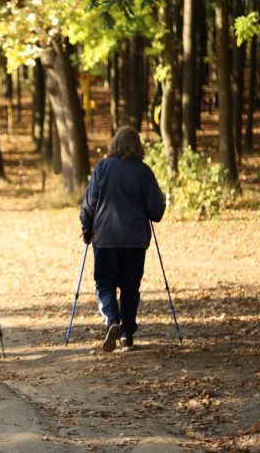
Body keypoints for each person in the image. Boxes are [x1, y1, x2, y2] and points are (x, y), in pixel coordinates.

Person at [80, 126, 166, 353]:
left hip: (106, 238)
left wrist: (86, 227)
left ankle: (112, 319)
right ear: (138, 147)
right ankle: (127, 335)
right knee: (130, 288)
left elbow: (89, 202)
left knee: (105, 283)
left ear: (114, 144)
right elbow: (156, 211)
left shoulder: (103, 168)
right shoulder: (144, 172)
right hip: (135, 241)